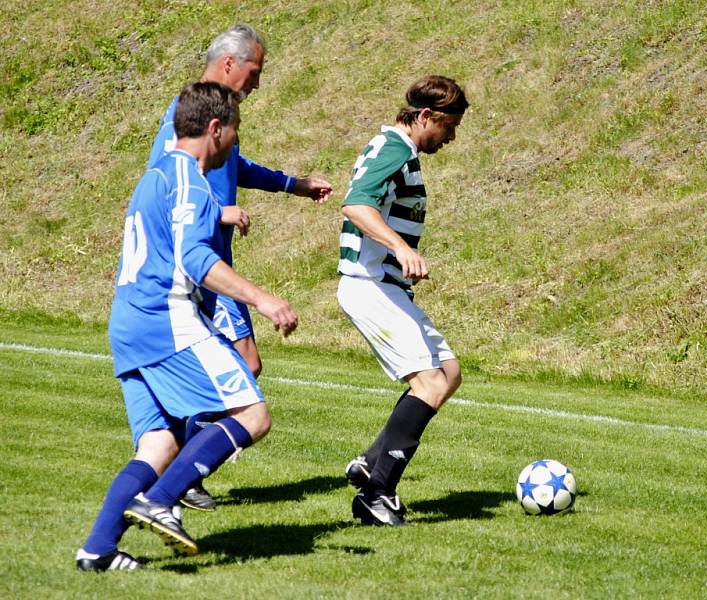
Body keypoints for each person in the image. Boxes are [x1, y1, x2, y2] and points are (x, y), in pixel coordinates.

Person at [76, 81, 298, 571]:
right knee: (252, 415)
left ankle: (97, 550)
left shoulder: (155, 175)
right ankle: (161, 501)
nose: (235, 145)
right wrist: (263, 299)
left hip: (128, 324)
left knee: (159, 444)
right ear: (215, 129)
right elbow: (195, 258)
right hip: (168, 321)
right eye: (234, 134)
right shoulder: (192, 183)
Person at [148, 24, 332, 511]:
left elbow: (236, 166)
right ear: (230, 64)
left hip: (215, 261)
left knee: (239, 366)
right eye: (255, 72)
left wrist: (294, 184)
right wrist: (217, 210)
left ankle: (169, 465)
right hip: (200, 264)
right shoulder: (181, 118)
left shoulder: (219, 120)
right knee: (244, 365)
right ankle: (181, 475)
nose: (256, 83)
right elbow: (165, 180)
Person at [337, 75, 469, 526]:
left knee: (447, 374)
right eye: (448, 126)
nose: (450, 137)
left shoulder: (400, 151)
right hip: (368, 283)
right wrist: (401, 247)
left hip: (386, 286)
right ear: (425, 116)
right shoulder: (394, 149)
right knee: (430, 383)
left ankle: (374, 462)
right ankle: (378, 493)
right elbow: (356, 205)